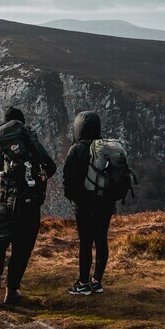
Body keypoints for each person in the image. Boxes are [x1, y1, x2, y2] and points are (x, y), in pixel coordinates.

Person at [0, 107, 56, 306]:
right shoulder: (32, 140)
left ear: (5, 122)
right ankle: (12, 290)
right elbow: (51, 167)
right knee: (22, 249)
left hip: (5, 203)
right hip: (30, 204)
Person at [63, 110, 112, 295]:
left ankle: (83, 283)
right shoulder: (106, 147)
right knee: (101, 240)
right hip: (105, 204)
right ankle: (97, 281)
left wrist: (75, 199)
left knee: (86, 243)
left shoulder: (77, 149)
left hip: (84, 206)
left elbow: (68, 179)